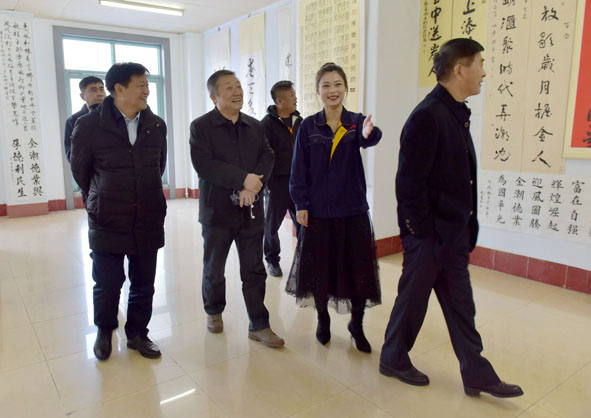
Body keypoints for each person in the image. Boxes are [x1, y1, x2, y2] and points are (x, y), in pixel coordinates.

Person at [379, 38, 523, 398]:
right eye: (480, 63)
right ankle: (393, 357)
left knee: (461, 305)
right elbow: (408, 185)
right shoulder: (427, 116)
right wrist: (422, 235)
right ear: (460, 69)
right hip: (431, 236)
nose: (484, 72)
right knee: (413, 300)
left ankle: (476, 373)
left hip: (453, 233)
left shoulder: (454, 112)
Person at [71, 62, 167, 361]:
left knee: (144, 283)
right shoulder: (89, 126)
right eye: (141, 85)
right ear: (119, 89)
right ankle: (104, 330)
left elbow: (158, 166)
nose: (147, 91)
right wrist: (100, 197)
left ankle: (138, 333)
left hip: (148, 214)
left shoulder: (156, 124)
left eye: (147, 85)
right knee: (108, 283)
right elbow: (81, 172)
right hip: (107, 217)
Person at [287, 62, 381, 353]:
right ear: (318, 91)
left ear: (346, 88)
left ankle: (357, 325)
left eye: (337, 84)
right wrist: (301, 204)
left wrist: (369, 133)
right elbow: (298, 170)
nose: (332, 90)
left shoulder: (355, 122)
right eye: (326, 85)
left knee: (358, 273)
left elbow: (370, 137)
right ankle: (323, 319)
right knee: (320, 271)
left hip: (353, 212)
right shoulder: (308, 126)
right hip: (318, 213)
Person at [189, 69, 284, 348]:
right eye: (229, 87)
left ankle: (259, 324)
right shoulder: (201, 127)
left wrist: (252, 187)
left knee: (254, 269)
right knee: (214, 267)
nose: (237, 91)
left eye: (239, 86)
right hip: (217, 212)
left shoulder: (254, 125)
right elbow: (204, 165)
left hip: (250, 211)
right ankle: (213, 311)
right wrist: (243, 179)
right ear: (214, 96)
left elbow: (268, 156)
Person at [261, 80, 302, 277]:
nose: (296, 98)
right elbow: (263, 156)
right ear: (279, 100)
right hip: (276, 183)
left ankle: (305, 259)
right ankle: (272, 261)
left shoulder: (300, 121)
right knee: (271, 227)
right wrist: (267, 184)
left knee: (304, 223)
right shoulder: (266, 125)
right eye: (291, 95)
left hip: (299, 183)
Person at [64, 76, 106, 162]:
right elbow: (70, 154)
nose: (99, 94)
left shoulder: (113, 116)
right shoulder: (73, 120)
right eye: (94, 90)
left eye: (101, 89)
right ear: (83, 96)